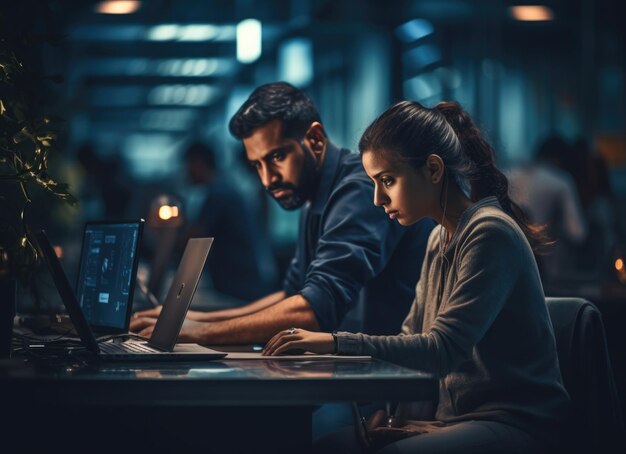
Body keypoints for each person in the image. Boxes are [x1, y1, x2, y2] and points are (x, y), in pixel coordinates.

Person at [263, 101, 570, 453]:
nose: (378, 198)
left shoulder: (490, 232)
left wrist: (334, 341)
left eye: (387, 181)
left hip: (517, 422)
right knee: (331, 445)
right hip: (459, 420)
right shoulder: (440, 235)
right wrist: (391, 415)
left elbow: (441, 349)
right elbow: (412, 334)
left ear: (433, 169)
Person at [130, 82, 435, 346]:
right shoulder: (311, 195)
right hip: (362, 374)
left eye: (277, 157)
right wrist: (190, 318)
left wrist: (201, 332)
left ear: (314, 140)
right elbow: (293, 295)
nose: (267, 180)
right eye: (257, 165)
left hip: (394, 382)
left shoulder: (357, 190)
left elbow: (313, 310)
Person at [179, 141, 278, 301]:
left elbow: (195, 238)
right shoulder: (224, 188)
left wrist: (167, 236)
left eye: (188, 165)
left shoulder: (218, 194)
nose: (186, 172)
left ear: (198, 163)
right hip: (242, 280)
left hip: (239, 284)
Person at [507, 136, 587, 288]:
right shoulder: (561, 181)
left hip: (508, 270)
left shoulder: (507, 175)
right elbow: (577, 233)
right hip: (548, 274)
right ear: (559, 160)